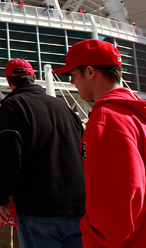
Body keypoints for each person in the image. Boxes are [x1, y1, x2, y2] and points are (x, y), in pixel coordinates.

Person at [55, 39, 146, 247]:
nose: (71, 83)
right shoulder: (135, 114)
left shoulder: (107, 120)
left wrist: (95, 239)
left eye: (73, 75)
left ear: (90, 72)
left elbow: (118, 204)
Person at [0, 58, 85, 247]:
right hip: (77, 207)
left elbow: (9, 156)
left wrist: (0, 199)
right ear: (34, 77)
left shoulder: (12, 107)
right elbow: (84, 150)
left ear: (9, 81)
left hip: (39, 208)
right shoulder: (64, 108)